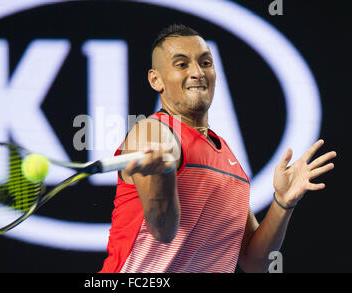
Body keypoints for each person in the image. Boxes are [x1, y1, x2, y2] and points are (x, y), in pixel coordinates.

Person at [99, 24, 336, 273]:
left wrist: (282, 203)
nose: (197, 72)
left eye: (206, 63)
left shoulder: (227, 157)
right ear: (156, 79)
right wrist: (163, 176)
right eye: (181, 64)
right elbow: (162, 230)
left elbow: (254, 263)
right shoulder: (153, 131)